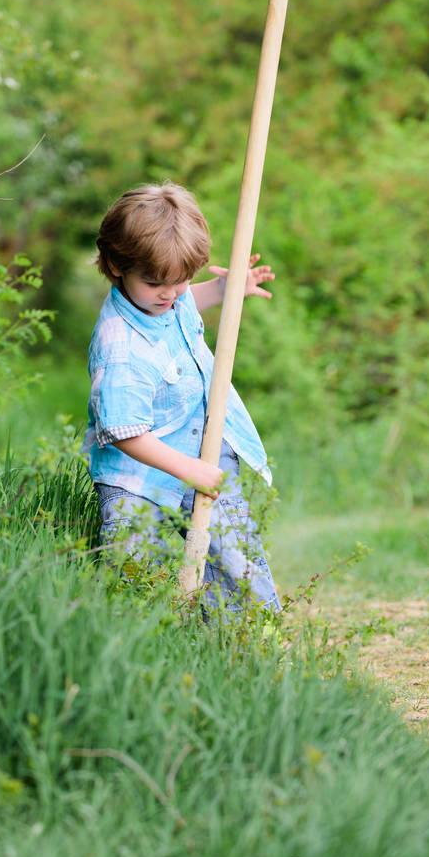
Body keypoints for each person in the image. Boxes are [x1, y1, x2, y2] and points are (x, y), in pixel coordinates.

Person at [82, 181, 281, 614]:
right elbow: (123, 433)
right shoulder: (120, 346)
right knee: (134, 572)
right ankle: (145, 644)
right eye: (156, 283)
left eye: (181, 280)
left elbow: (188, 298)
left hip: (199, 445)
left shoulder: (167, 296)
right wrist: (189, 470)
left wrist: (231, 289)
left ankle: (252, 643)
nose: (170, 295)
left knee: (235, 558)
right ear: (117, 265)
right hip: (138, 478)